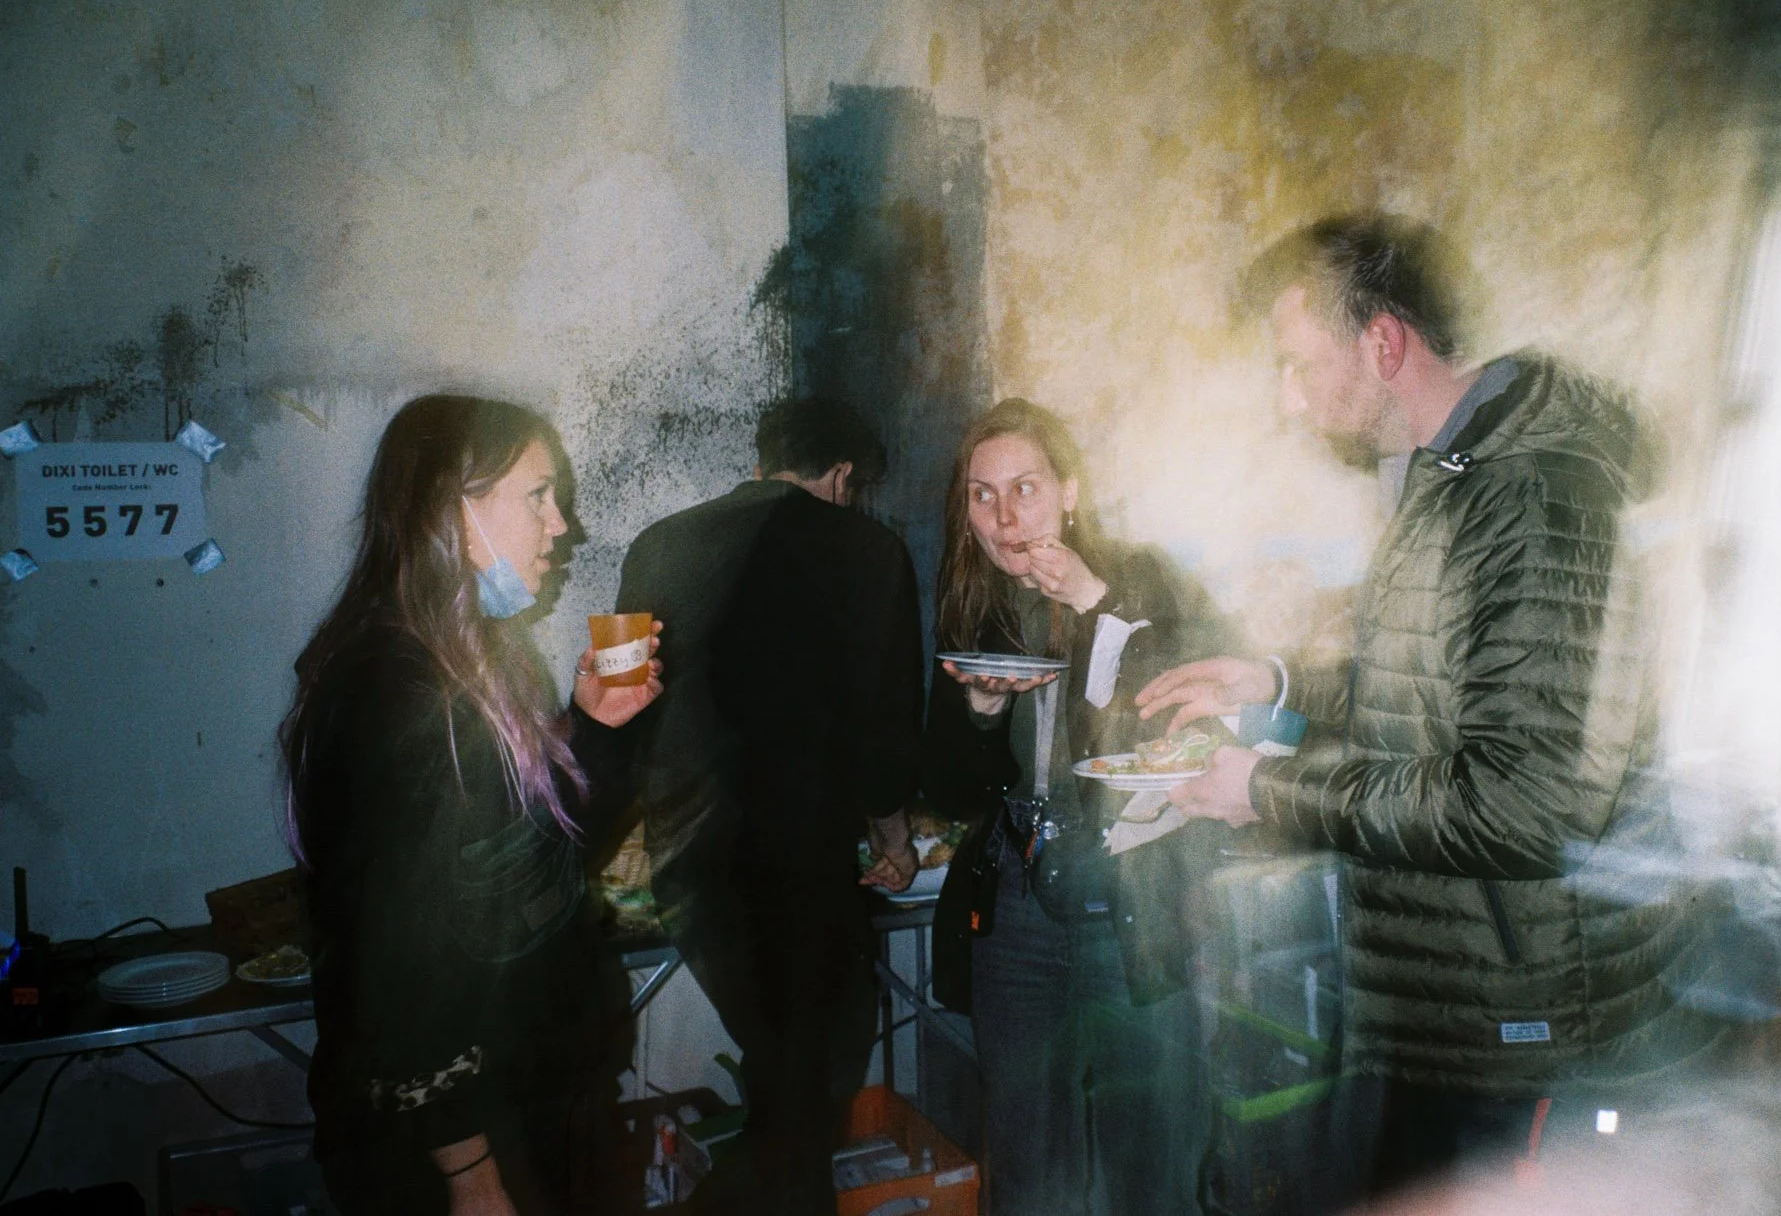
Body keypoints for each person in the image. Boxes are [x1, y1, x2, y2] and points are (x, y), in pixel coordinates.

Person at [1142, 215, 1726, 1203]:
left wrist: (1272, 791)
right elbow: (1428, 697)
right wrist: (1273, 685)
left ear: (1382, 343)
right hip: (1449, 1003)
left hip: (1519, 1016)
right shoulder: (1448, 481)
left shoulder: (1530, 499)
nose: (1287, 401)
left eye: (1296, 364)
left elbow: (1518, 802)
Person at [280, 394, 664, 1216]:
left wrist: (595, 728)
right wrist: (469, 1170)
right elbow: (389, 965)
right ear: (448, 505)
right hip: (467, 1139)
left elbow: (539, 867)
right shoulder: (390, 689)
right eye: (537, 494)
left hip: (536, 1099)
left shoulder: (485, 662)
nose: (561, 525)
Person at [614, 396, 925, 1216]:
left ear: (763, 460)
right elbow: (884, 731)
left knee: (784, 1088)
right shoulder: (867, 549)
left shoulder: (659, 542)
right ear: (843, 476)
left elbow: (625, 704)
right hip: (799, 871)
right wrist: (896, 839)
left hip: (690, 871)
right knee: (809, 1087)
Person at [923, 397, 1225, 1216]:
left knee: (1153, 1153)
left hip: (1131, 897)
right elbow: (947, 793)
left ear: (1071, 492)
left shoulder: (1143, 575)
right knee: (1026, 1165)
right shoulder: (975, 605)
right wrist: (980, 715)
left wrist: (1097, 599)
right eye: (982, 495)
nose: (1005, 515)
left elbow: (1193, 710)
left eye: (1025, 487)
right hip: (1017, 902)